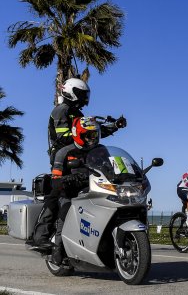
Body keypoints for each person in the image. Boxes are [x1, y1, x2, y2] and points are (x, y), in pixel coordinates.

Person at [30, 117, 102, 264]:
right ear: (78, 134)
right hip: (70, 191)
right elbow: (56, 179)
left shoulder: (101, 151)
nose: (92, 139)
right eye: (88, 135)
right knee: (65, 208)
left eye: (94, 135)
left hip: (95, 189)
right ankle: (58, 247)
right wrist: (67, 179)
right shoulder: (64, 152)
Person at [47, 78, 125, 166]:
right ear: (70, 92)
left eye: (85, 95)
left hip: (80, 151)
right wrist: (86, 134)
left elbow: (94, 133)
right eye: (81, 94)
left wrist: (115, 125)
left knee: (101, 149)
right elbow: (63, 137)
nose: (84, 98)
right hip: (63, 153)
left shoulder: (77, 113)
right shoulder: (61, 110)